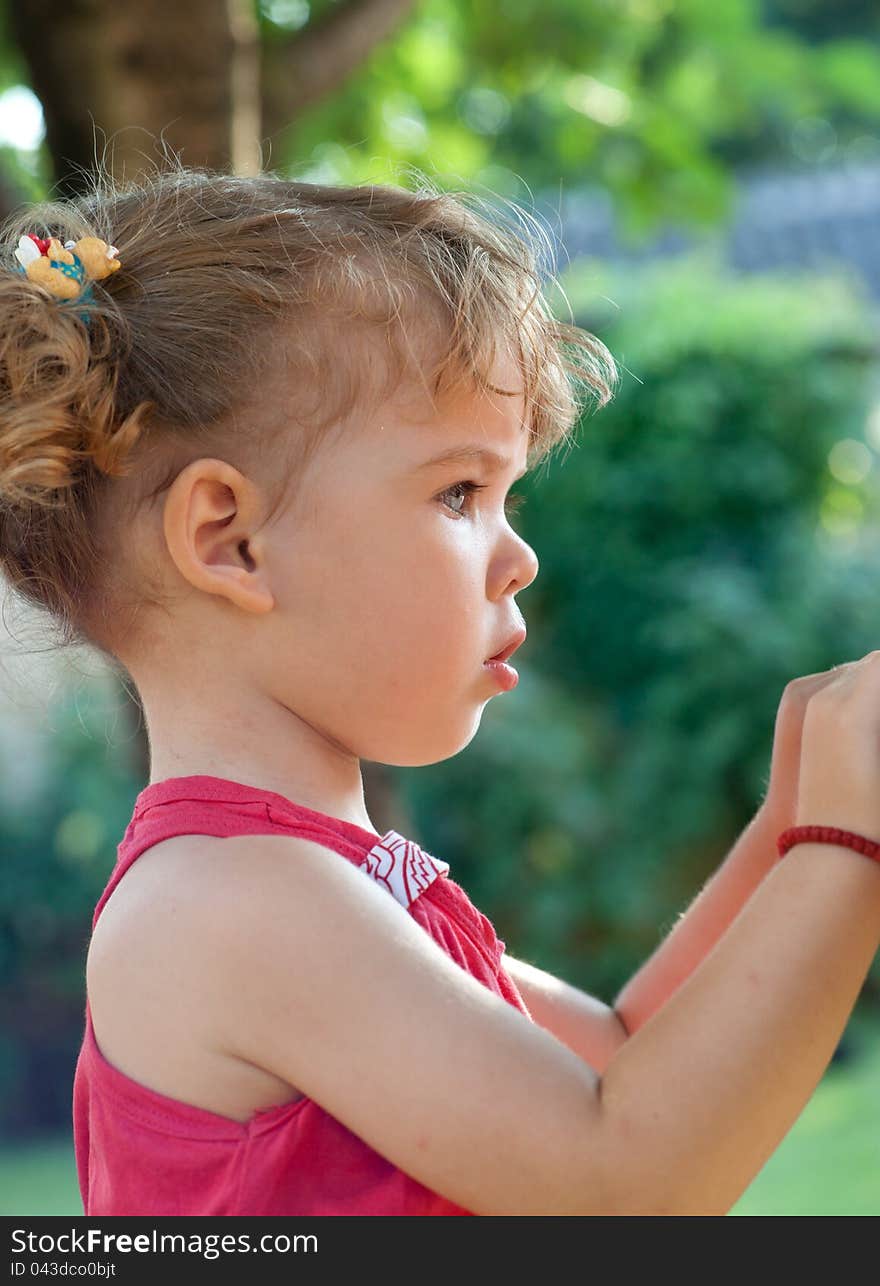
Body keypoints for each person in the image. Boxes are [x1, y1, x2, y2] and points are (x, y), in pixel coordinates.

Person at [1, 161, 878, 1218]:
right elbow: (624, 1178)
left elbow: (617, 1060)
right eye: (459, 491)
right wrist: (846, 844)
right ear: (229, 539)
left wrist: (791, 824)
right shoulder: (231, 903)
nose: (521, 559)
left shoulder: (317, 882)